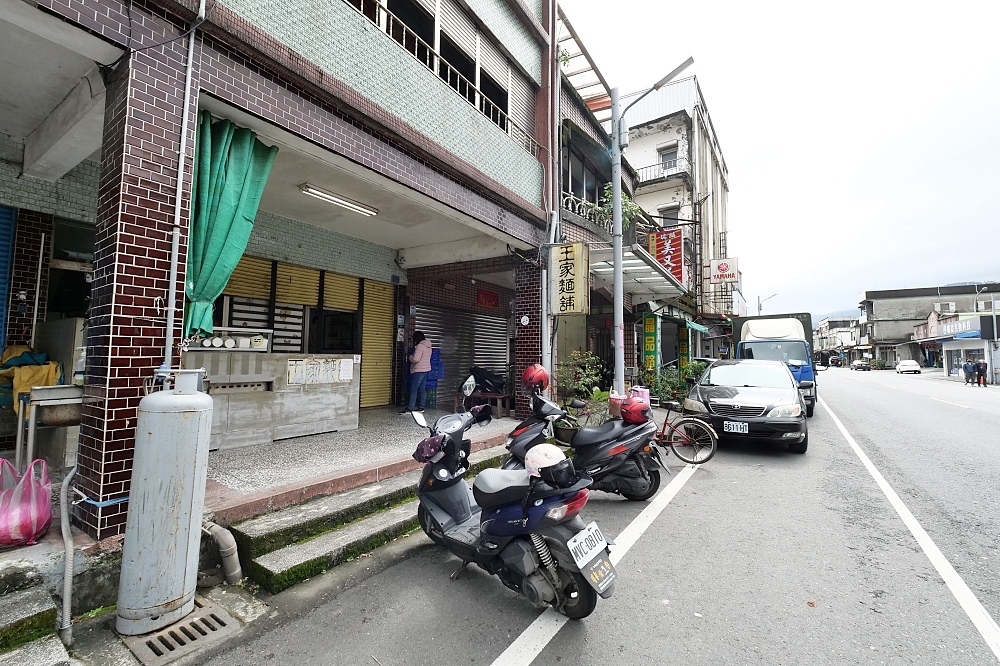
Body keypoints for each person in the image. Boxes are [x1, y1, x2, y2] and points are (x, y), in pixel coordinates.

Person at [401, 331, 432, 413]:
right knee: (422, 389)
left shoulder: (420, 346)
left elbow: (416, 359)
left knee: (414, 389)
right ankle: (421, 407)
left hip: (419, 370)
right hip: (426, 369)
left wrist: (410, 357)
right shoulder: (428, 346)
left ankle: (410, 408)